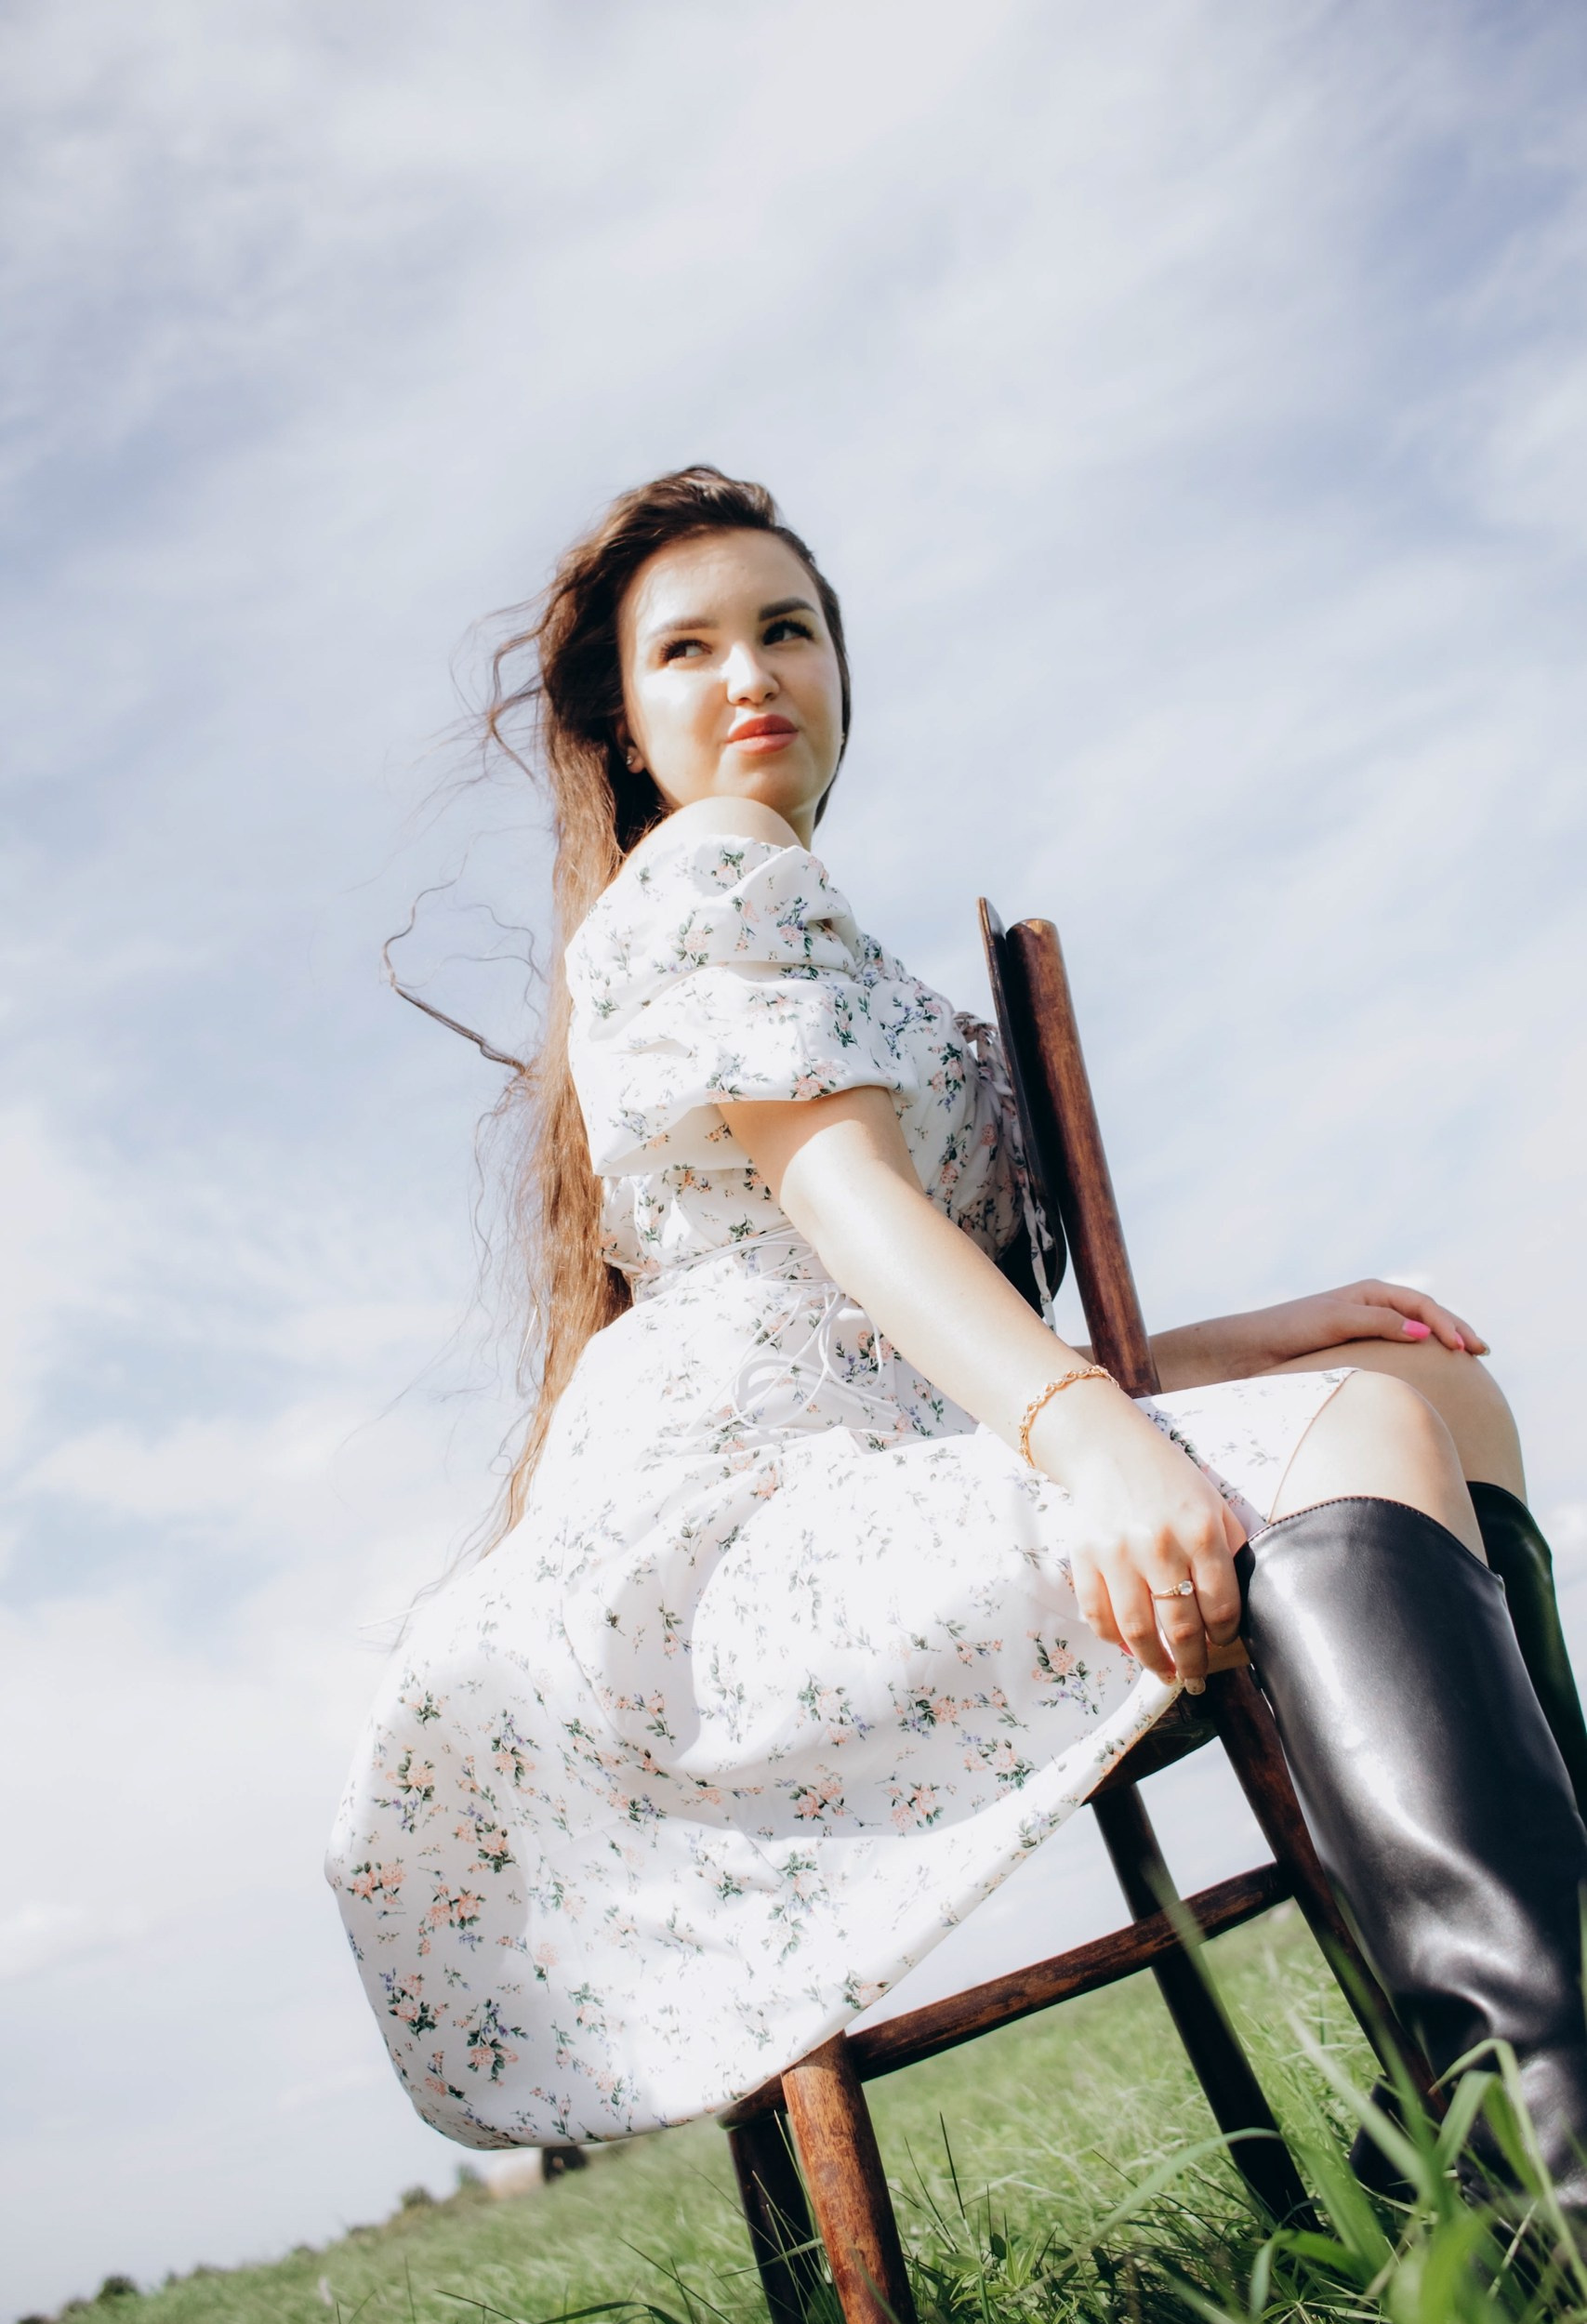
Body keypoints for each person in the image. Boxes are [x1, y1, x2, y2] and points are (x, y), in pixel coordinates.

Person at [328, 466, 1587, 2206]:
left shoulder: (806, 918)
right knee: (1372, 1428)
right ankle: (1548, 2174)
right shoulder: (712, 871)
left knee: (1431, 1390)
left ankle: (1482, 2106)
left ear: (842, 665)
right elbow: (850, 1214)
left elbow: (898, 1347)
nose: (751, 672)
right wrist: (1101, 1435)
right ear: (620, 724)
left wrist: (1223, 1348)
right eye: (687, 649)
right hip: (742, 1561)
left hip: (872, 1472)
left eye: (788, 628)